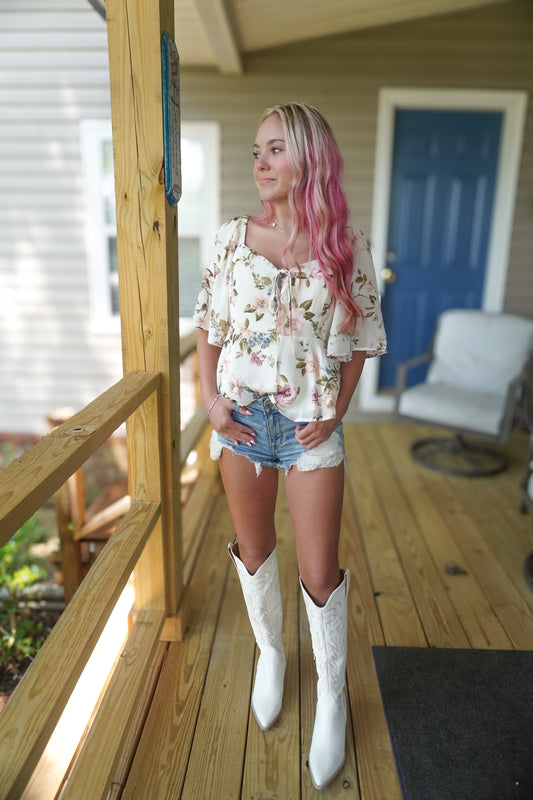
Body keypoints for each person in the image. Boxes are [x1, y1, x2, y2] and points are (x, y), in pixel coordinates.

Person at [193, 102, 386, 790]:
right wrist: (210, 403)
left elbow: (361, 342)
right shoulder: (227, 240)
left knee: (317, 573)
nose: (260, 162)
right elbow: (207, 332)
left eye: (274, 148)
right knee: (252, 552)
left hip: (308, 430)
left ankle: (331, 694)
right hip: (241, 425)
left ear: (308, 157)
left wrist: (335, 411)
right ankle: (270, 654)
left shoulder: (346, 246)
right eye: (256, 150)